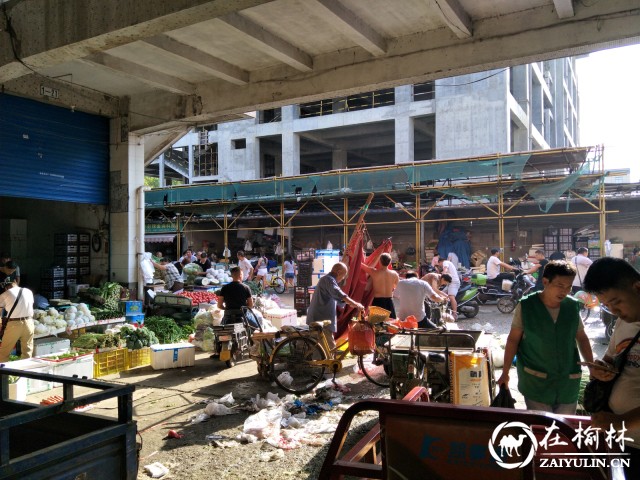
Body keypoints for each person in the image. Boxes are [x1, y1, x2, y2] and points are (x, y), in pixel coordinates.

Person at [497, 260, 594, 414]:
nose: (565, 291)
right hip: (536, 380)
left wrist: (592, 367)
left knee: (565, 430)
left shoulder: (572, 306)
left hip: (567, 381)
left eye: (569, 287)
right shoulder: (527, 306)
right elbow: (513, 340)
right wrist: (505, 372)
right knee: (542, 429)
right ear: (545, 281)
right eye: (560, 286)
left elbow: (582, 338)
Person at [583, 257, 640, 478]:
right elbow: (611, 357)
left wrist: (620, 422)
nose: (614, 311)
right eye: (607, 306)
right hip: (624, 439)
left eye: (617, 302)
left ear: (637, 286)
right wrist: (601, 368)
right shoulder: (624, 322)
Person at [306, 262, 364, 350]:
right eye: (343, 276)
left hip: (319, 316)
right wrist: (356, 304)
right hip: (320, 318)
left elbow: (339, 298)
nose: (342, 279)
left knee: (320, 347)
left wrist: (351, 304)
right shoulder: (328, 280)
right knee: (329, 348)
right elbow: (340, 295)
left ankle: (319, 362)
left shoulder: (328, 279)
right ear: (338, 272)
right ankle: (322, 363)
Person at [0, 278, 35, 362]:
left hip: (14, 325)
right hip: (29, 323)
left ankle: (3, 374)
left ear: (6, 287)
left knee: (4, 352)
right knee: (27, 352)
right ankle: (25, 374)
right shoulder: (29, 291)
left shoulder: (5, 294)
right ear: (15, 282)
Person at [361, 253, 399, 319]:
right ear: (390, 262)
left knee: (376, 326)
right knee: (390, 325)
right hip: (389, 301)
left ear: (379, 261)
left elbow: (361, 265)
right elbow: (395, 287)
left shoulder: (374, 272)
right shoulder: (395, 274)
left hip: (377, 302)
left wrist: (353, 255)